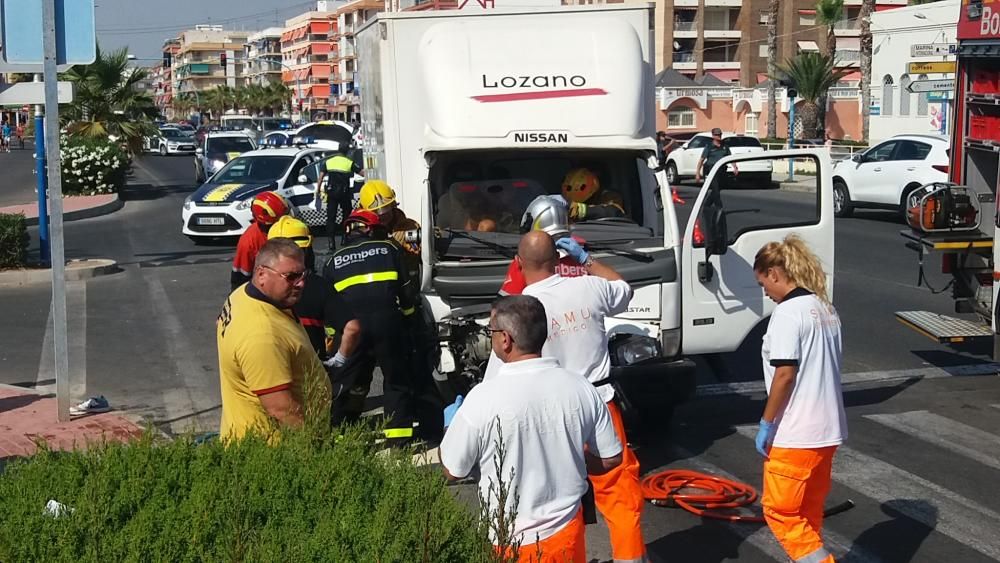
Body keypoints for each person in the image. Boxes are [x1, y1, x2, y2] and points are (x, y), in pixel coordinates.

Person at [440, 295, 624, 563]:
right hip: (567, 534)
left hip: (508, 543)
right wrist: (573, 463)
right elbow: (611, 458)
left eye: (490, 332)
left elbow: (452, 471)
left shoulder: (481, 399)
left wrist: (450, 427)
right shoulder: (581, 387)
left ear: (505, 339)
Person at [513, 231, 648, 563]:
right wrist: (587, 261)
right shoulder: (588, 286)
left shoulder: (522, 308)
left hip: (549, 411)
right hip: (599, 402)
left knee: (556, 496)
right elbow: (624, 290)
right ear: (560, 257)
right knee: (617, 491)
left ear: (519, 263)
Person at [753, 235, 846, 563]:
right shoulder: (825, 308)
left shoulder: (788, 314)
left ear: (775, 274)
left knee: (781, 513)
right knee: (808, 514)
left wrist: (766, 422)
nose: (765, 292)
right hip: (827, 432)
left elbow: (785, 374)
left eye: (764, 283)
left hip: (796, 434)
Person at [321, 209, 424, 443]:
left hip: (352, 329)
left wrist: (334, 339)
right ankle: (399, 441)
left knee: (346, 381)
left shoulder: (332, 261)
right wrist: (410, 320)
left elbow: (329, 307)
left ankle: (340, 434)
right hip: (388, 324)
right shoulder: (389, 249)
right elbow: (407, 292)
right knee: (396, 379)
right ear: (371, 229)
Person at [216, 238, 331, 442]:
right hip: (272, 450)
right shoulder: (262, 335)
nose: (301, 283)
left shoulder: (241, 296)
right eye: (291, 276)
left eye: (303, 274)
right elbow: (280, 408)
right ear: (261, 274)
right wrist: (317, 445)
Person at [266, 215, 361, 361]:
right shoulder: (319, 287)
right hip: (312, 369)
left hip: (271, 366)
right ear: (307, 249)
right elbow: (352, 329)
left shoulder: (256, 287)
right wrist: (340, 359)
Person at [231, 191, 291, 291]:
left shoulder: (292, 229)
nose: (286, 222)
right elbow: (240, 279)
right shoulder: (249, 241)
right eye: (279, 220)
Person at [357, 180, 421, 256]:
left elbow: (421, 237)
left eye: (386, 208)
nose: (382, 214)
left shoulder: (407, 227)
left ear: (393, 205)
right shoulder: (361, 232)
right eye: (375, 212)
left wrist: (403, 239)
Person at [314, 150, 362, 250]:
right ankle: (345, 238)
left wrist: (317, 191)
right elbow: (362, 173)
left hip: (332, 194)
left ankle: (331, 243)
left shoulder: (328, 162)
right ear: (346, 152)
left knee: (331, 218)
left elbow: (321, 178)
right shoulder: (349, 162)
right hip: (344, 193)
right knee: (346, 216)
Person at [561, 168, 625, 221]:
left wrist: (580, 210)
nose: (575, 190)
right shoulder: (561, 201)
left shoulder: (609, 196)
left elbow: (614, 211)